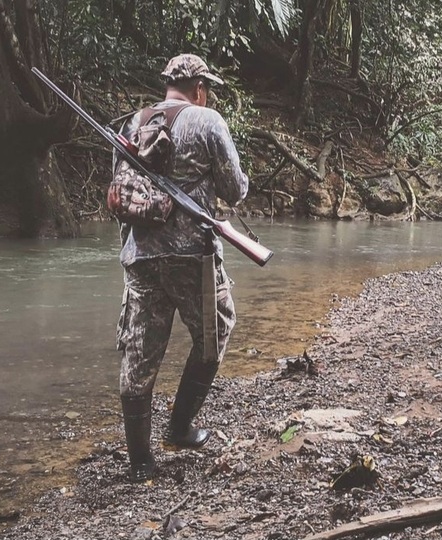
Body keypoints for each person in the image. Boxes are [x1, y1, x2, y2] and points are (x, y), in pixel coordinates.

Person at [115, 54, 249, 482]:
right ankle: (179, 428)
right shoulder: (209, 121)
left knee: (140, 353)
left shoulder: (132, 123)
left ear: (167, 85)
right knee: (216, 331)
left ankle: (140, 463)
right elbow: (234, 188)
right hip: (194, 257)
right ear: (200, 88)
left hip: (141, 257)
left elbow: (120, 190)